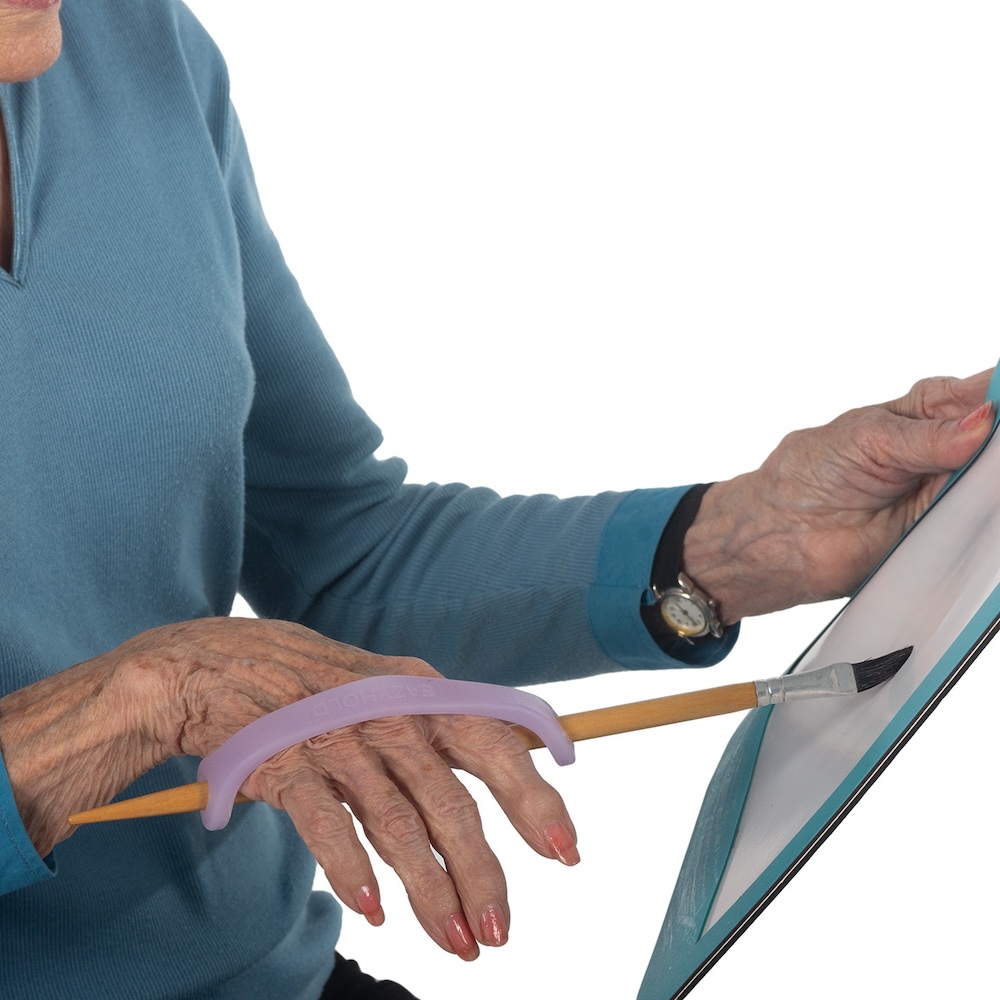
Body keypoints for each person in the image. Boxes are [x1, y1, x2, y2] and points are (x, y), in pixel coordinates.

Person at [0, 2, 993, 998]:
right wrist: (131, 705)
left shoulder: (134, 42)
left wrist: (735, 543)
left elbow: (338, 556)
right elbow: (175, 684)